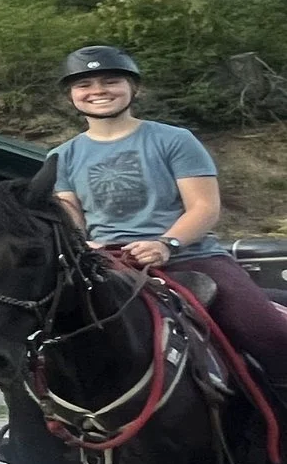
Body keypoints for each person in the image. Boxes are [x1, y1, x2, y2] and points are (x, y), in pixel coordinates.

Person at [51, 43, 287, 410]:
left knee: (268, 332)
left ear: (135, 89)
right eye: (85, 84)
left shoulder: (173, 140)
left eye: (111, 80)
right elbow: (71, 218)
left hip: (191, 257)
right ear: (71, 95)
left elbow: (205, 207)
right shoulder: (61, 156)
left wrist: (166, 243)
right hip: (109, 265)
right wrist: (84, 245)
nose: (98, 90)